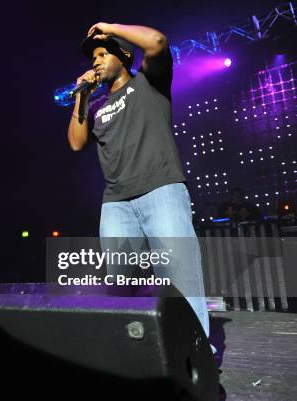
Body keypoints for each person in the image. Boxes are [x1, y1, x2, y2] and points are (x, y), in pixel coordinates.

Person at [67, 23, 212, 344]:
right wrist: (82, 96)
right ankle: (140, 352)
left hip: (162, 190)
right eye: (93, 57)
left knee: (179, 277)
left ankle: (199, 355)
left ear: (125, 55)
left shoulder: (150, 82)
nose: (96, 61)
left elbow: (158, 41)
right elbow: (76, 143)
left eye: (103, 53)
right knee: (119, 283)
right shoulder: (95, 106)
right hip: (117, 204)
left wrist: (107, 26)